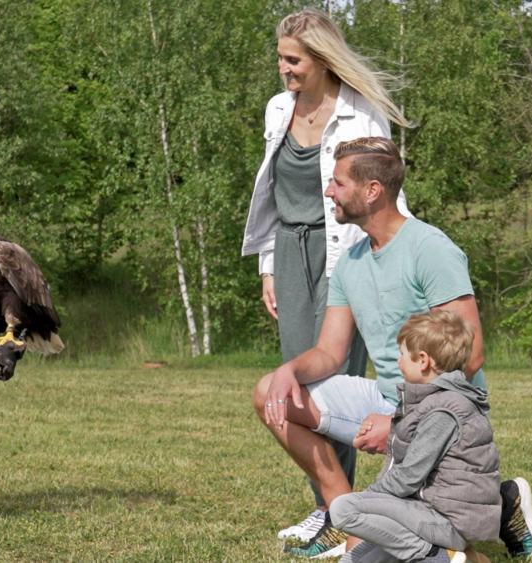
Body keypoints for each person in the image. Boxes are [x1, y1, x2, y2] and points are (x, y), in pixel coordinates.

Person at [252, 138, 532, 559]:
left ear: (372, 191)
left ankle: (501, 503)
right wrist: (288, 372)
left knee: (396, 543)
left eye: (337, 182)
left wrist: (402, 422)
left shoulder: (431, 249)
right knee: (269, 393)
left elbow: (471, 355)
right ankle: (338, 512)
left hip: (444, 411)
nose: (328, 191)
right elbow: (330, 353)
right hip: (387, 396)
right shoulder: (349, 261)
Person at [240, 9, 412, 543]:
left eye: (293, 61)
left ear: (321, 59)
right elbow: (272, 195)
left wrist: (394, 264)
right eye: (280, 60)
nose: (284, 70)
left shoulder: (362, 115)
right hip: (291, 255)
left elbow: (389, 193)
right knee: (293, 385)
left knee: (332, 384)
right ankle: (335, 507)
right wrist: (270, 266)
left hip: (349, 252)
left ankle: (343, 515)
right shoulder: (278, 109)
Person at [329, 310, 500, 563]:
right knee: (351, 561)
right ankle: (467, 559)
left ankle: (437, 555)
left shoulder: (444, 410)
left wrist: (369, 495)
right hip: (426, 515)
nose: (398, 362)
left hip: (446, 522)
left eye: (402, 354)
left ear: (423, 360)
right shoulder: (432, 402)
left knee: (343, 509)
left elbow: (409, 476)